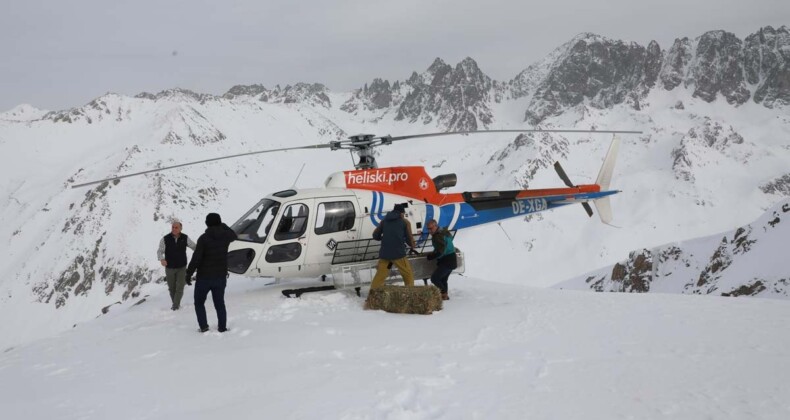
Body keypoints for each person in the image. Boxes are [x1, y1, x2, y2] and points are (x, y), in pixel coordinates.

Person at [186, 213, 238, 333]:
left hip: (204, 277)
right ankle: (222, 327)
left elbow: (196, 258)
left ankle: (204, 327)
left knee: (199, 303)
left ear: (207, 223)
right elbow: (234, 235)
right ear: (219, 222)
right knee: (219, 303)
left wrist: (188, 274)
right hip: (220, 277)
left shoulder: (203, 238)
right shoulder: (226, 236)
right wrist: (223, 225)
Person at [370, 204, 417, 289]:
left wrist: (384, 238)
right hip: (398, 254)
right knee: (408, 274)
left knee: (380, 276)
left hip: (385, 254)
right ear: (401, 213)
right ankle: (410, 294)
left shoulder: (384, 220)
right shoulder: (405, 222)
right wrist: (413, 245)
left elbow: (375, 235)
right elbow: (409, 238)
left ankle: (372, 296)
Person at [157, 220, 196, 310]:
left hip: (182, 267)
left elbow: (194, 247)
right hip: (169, 267)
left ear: (181, 228)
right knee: (172, 288)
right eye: (173, 227)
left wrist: (201, 252)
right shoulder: (165, 239)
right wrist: (161, 259)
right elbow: (160, 251)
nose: (174, 229)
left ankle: (175, 306)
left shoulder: (185, 238)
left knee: (180, 286)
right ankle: (176, 303)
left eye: (176, 227)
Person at [425, 219, 458, 301]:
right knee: (443, 279)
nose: (429, 231)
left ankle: (443, 292)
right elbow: (442, 247)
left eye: (431, 228)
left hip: (447, 260)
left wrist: (431, 257)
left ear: (435, 226)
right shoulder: (444, 232)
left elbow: (441, 251)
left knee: (435, 278)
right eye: (428, 229)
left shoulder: (438, 236)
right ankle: (444, 296)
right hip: (452, 259)